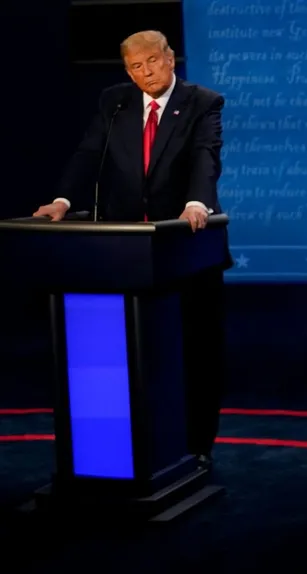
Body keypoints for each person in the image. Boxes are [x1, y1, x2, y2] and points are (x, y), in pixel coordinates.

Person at [33, 30, 231, 465]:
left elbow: (206, 155)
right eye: (135, 67)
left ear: (170, 59)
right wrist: (63, 200)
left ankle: (198, 446)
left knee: (196, 350)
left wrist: (197, 202)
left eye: (152, 62)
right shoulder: (116, 102)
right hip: (124, 252)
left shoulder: (202, 102)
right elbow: (89, 153)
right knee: (130, 352)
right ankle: (135, 445)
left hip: (185, 246)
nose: (146, 73)